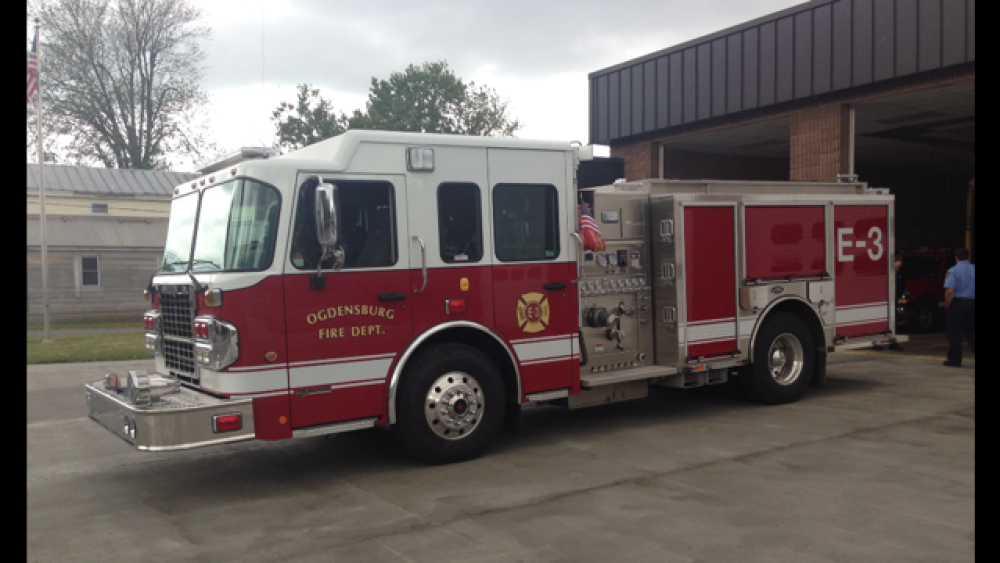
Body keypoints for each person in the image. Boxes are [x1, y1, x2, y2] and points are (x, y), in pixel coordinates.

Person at [942, 247, 975, 367]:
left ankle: (955, 360)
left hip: (957, 304)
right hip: (972, 303)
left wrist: (947, 304)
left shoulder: (953, 271)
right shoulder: (974, 269)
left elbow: (950, 291)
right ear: (968, 257)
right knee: (971, 332)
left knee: (955, 333)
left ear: (956, 258)